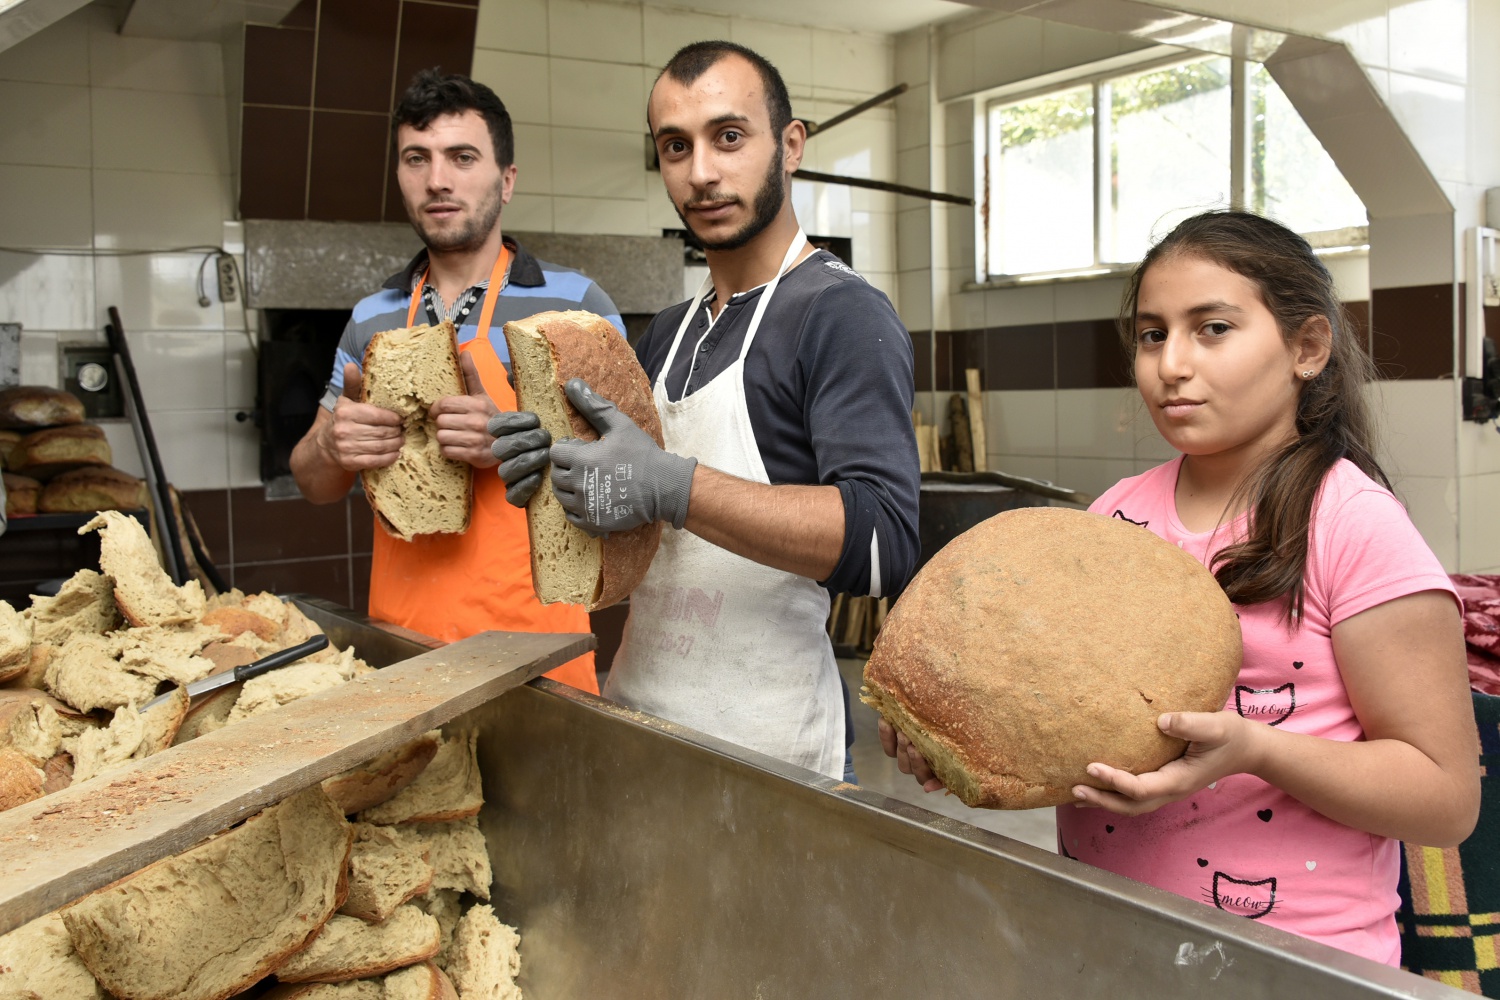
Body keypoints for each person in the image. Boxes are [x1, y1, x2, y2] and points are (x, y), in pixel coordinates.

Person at [884, 210, 1479, 962]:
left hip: (1294, 962)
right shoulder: (1116, 514)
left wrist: (1254, 751)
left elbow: (1445, 799)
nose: (1171, 364)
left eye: (1213, 329)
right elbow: (1063, 723)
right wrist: (953, 738)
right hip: (1106, 937)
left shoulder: (1353, 525)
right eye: (1152, 334)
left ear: (1307, 347)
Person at [491, 41, 921, 781]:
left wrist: (671, 484)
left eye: (729, 137)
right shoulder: (668, 329)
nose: (702, 173)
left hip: (773, 754)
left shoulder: (842, 314)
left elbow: (884, 545)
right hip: (643, 719)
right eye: (674, 147)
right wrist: (568, 481)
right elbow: (638, 534)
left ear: (789, 146)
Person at [290, 70, 624, 693]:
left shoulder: (577, 304)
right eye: (416, 159)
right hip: (401, 652)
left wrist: (518, 443)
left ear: (507, 179)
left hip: (537, 655)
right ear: (399, 175)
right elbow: (312, 481)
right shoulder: (371, 316)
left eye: (462, 157)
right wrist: (333, 445)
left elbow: (629, 478)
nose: (437, 179)